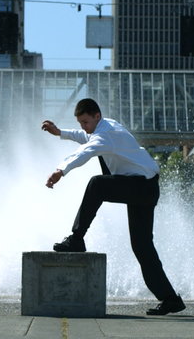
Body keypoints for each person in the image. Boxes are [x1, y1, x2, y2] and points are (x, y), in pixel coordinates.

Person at [41, 98, 185, 316]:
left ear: (97, 116)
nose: (83, 127)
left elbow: (84, 152)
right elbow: (86, 137)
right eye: (80, 123)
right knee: (142, 247)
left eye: (86, 122)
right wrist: (61, 132)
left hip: (140, 187)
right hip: (144, 187)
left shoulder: (105, 134)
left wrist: (61, 170)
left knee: (97, 184)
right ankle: (170, 299)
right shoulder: (107, 126)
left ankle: (77, 238)